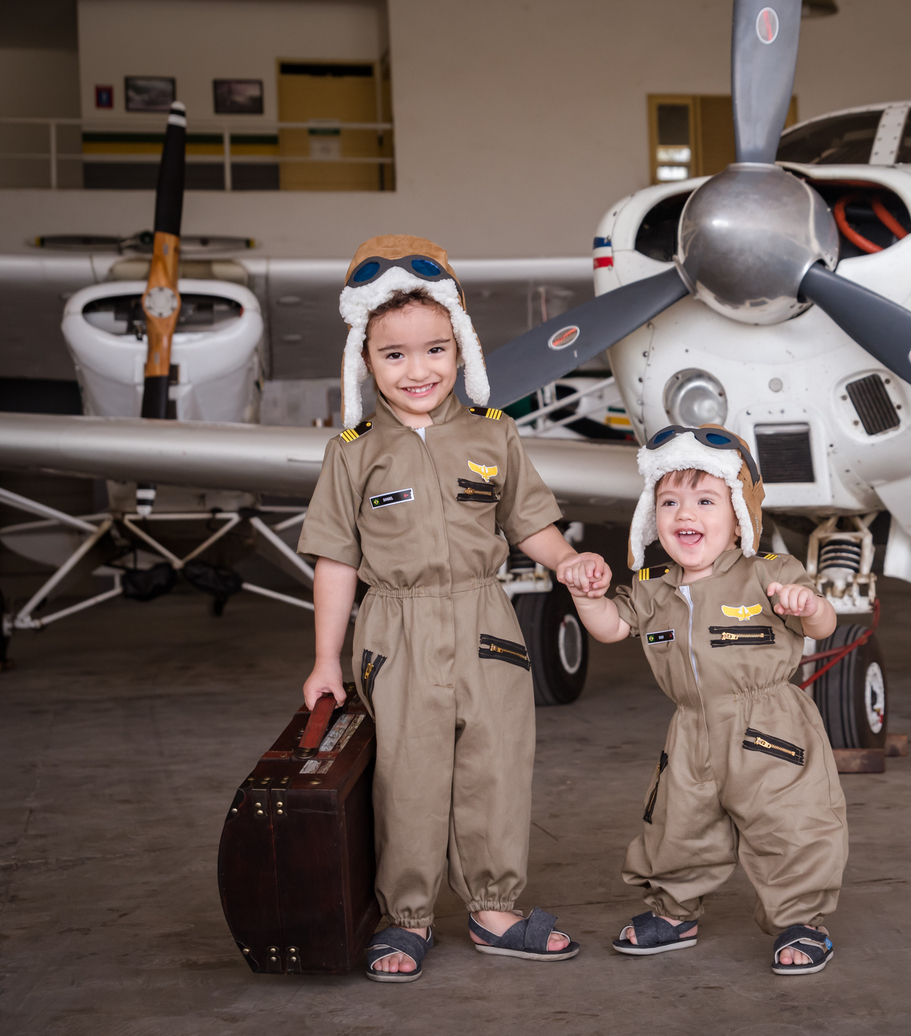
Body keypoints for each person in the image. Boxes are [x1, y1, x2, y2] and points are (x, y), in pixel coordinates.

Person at [298, 235, 610, 983]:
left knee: (496, 767)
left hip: (486, 622)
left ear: (462, 347)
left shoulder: (494, 435)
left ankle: (494, 908)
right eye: (394, 355)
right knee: (407, 776)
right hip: (396, 629)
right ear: (365, 361)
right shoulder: (352, 451)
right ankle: (405, 917)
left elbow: (528, 521)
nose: (418, 371)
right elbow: (337, 560)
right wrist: (324, 661)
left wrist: (568, 561)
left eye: (435, 350)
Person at [559, 424, 848, 975]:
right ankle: (674, 912)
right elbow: (611, 627)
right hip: (692, 729)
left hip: (770, 727)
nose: (684, 514)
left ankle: (802, 921)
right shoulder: (653, 586)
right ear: (652, 516)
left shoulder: (770, 573)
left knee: (788, 822)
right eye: (669, 501)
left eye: (705, 500)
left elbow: (825, 621)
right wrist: (586, 594)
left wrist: (803, 605)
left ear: (739, 512)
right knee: (678, 823)